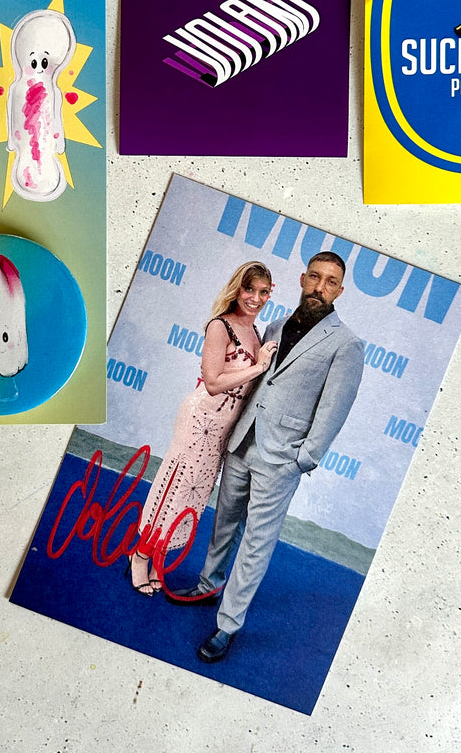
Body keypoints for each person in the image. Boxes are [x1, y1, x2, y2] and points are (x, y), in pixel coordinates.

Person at [168, 252, 364, 664]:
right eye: (315, 277)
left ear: (340, 291)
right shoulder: (273, 326)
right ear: (302, 279)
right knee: (224, 522)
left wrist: (303, 458)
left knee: (256, 542)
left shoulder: (346, 345)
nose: (320, 287)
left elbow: (333, 410)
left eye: (330, 282)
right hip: (243, 441)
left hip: (282, 459)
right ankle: (208, 584)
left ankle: (227, 625)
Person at [128, 261, 279, 595]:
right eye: (249, 289)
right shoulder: (220, 326)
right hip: (200, 420)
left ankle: (157, 557)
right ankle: (140, 555)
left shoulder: (256, 333)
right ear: (237, 288)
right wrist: (259, 368)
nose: (255, 298)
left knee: (193, 495)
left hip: (223, 431)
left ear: (270, 294)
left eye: (263, 292)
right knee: (174, 486)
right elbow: (212, 382)